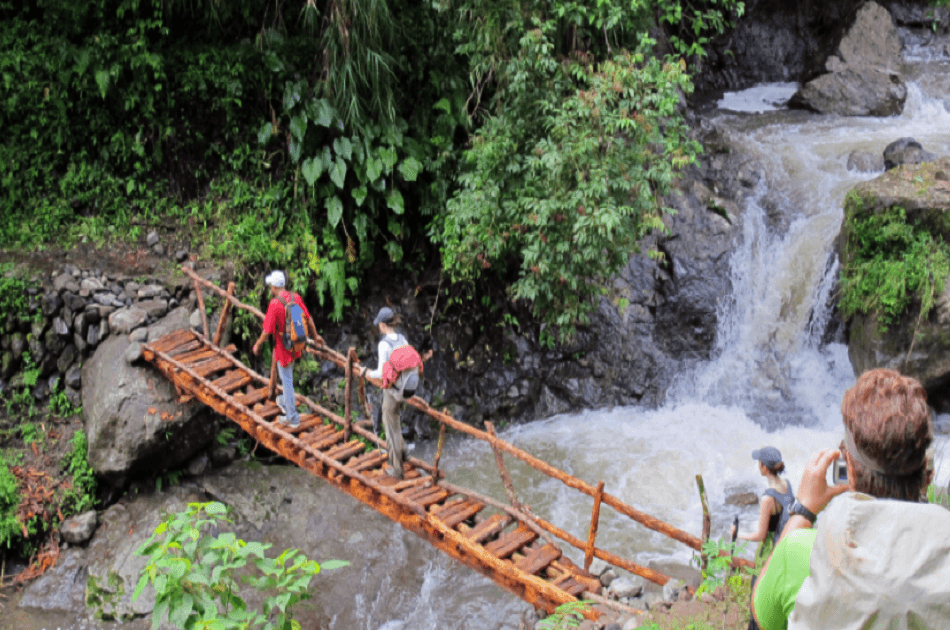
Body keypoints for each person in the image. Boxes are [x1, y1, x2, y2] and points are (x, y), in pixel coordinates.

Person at [751, 368, 950, 630]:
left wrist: (803, 512)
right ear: (927, 473)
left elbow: (764, 615)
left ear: (850, 472)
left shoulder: (802, 552)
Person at [360, 307, 425, 479]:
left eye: (379, 324)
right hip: (406, 388)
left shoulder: (384, 344)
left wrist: (366, 372)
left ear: (382, 325)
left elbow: (381, 373)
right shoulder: (402, 338)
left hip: (393, 390)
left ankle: (397, 470)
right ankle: (404, 454)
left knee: (391, 427)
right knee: (395, 420)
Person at [251, 270, 318, 428]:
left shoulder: (275, 304)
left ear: (274, 287)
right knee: (288, 378)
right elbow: (308, 319)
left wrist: (257, 345)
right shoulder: (295, 297)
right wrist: (316, 337)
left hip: (284, 348)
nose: (270, 289)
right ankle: (285, 401)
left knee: (286, 380)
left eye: (271, 286)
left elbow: (266, 331)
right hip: (297, 344)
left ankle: (292, 418)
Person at [732, 446, 796, 572]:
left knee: (758, 586)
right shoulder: (787, 485)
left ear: (764, 467)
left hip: (772, 551)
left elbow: (760, 536)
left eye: (759, 462)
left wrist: (737, 534)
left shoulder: (768, 498)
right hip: (789, 544)